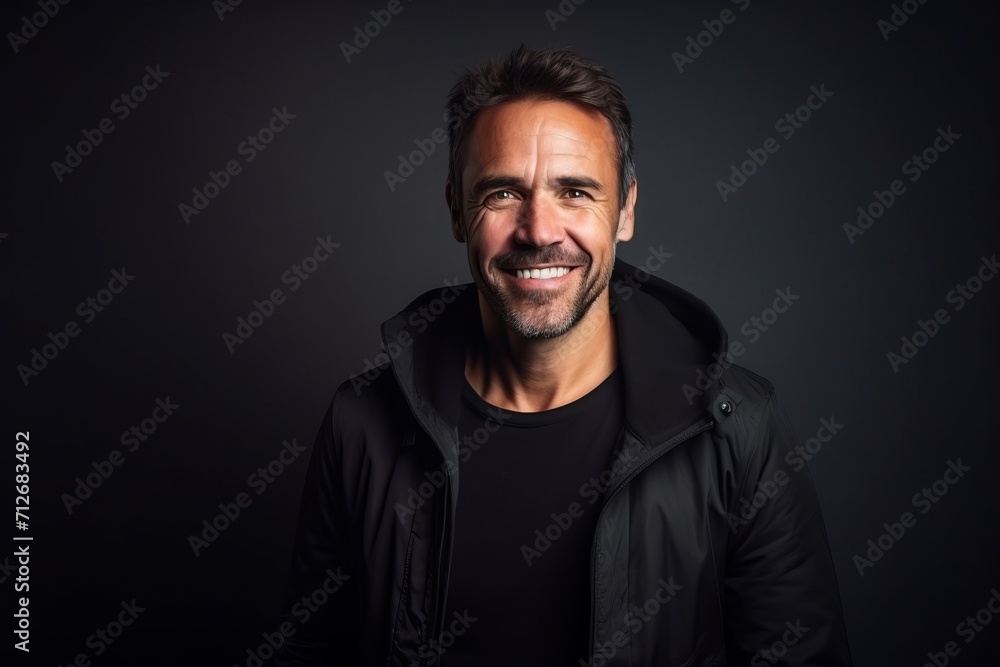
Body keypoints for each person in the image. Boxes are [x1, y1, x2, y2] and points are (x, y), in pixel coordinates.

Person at [274, 45, 852, 666]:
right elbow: (311, 651)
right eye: (501, 193)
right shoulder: (362, 423)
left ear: (625, 209)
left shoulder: (736, 425)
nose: (539, 230)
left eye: (575, 191)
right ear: (455, 211)